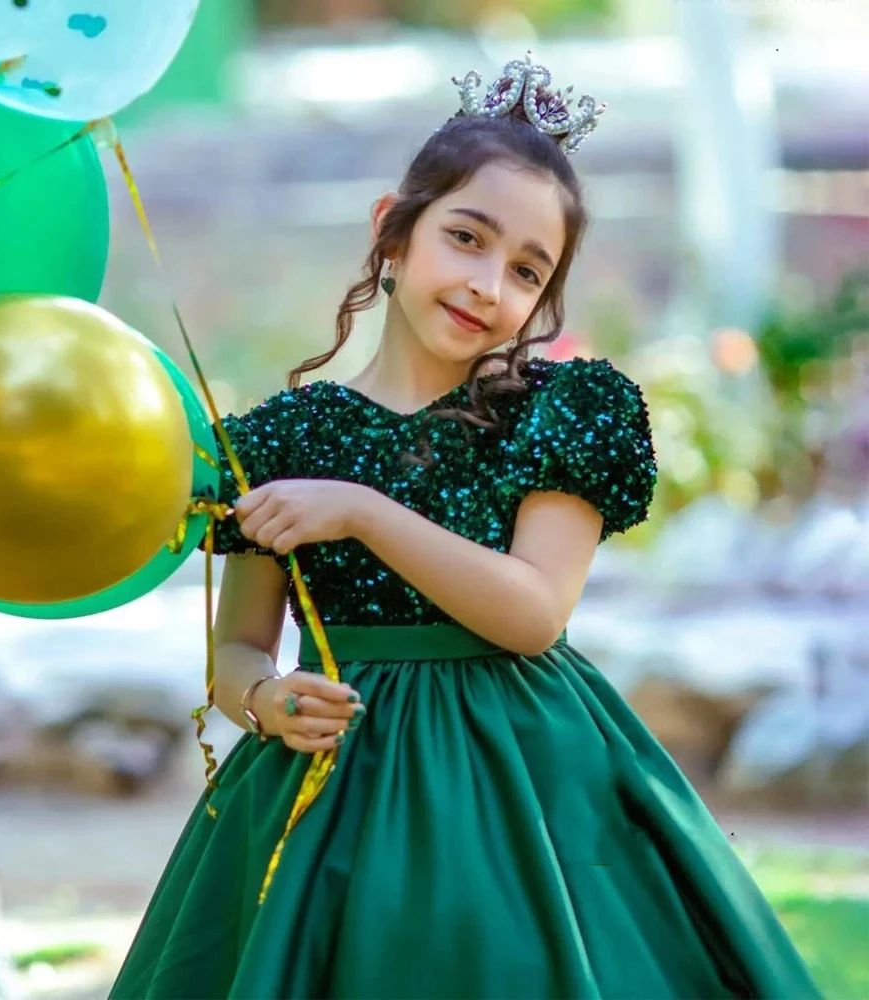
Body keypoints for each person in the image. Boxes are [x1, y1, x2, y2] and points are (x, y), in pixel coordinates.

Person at [109, 53, 822, 1000]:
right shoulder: (284, 437)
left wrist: (360, 511)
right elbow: (236, 651)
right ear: (392, 232)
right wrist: (269, 702)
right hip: (334, 792)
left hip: (525, 784)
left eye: (527, 269)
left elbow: (532, 615)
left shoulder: (562, 411)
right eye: (466, 237)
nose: (489, 282)